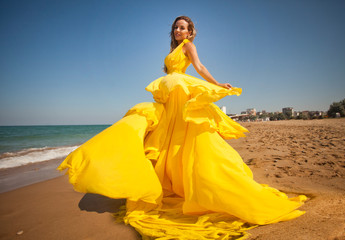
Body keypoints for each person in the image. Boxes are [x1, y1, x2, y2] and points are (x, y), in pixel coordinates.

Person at [58, 16, 307, 239]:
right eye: (176, 27)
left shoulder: (188, 47)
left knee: (186, 139)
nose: (179, 30)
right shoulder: (173, 49)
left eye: (183, 28)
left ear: (190, 32)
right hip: (171, 97)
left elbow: (199, 67)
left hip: (181, 94)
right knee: (158, 133)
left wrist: (217, 83)